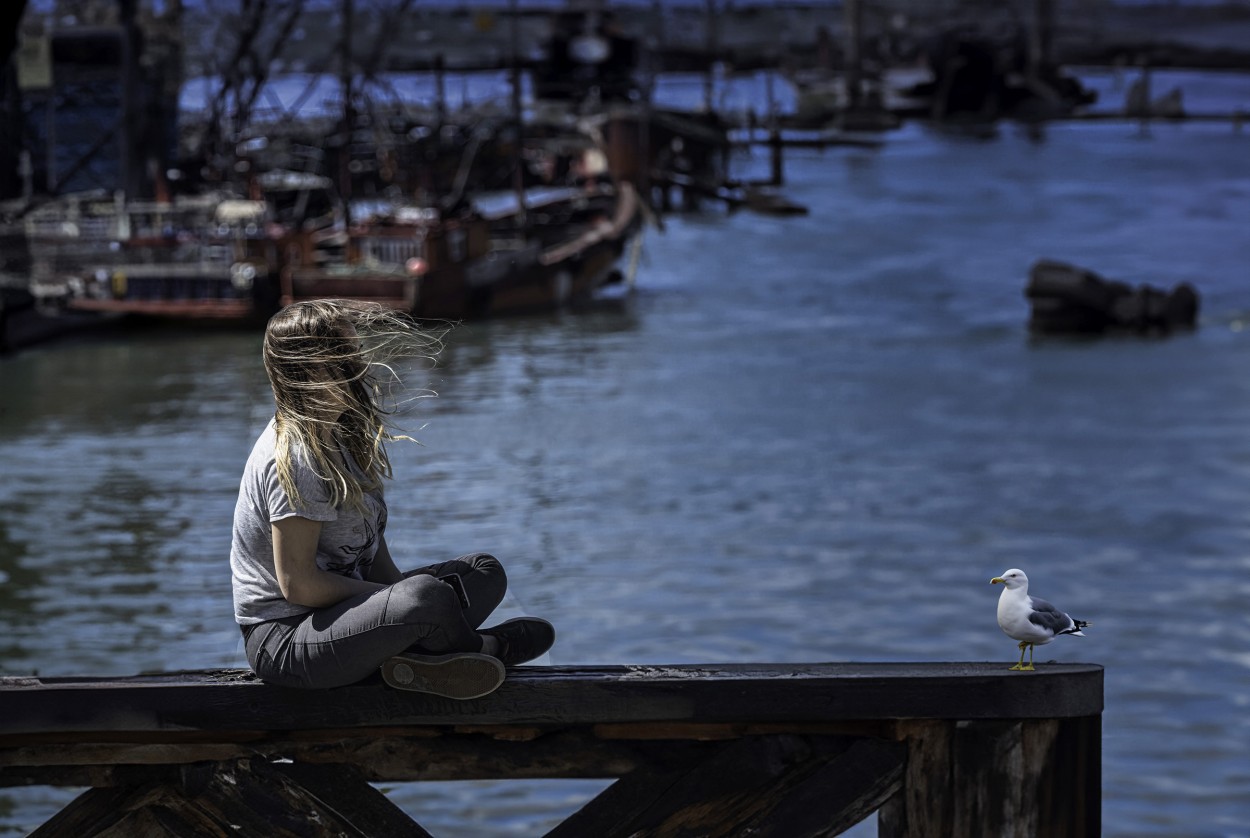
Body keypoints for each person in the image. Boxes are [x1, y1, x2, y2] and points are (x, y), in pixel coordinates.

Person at [230, 299, 554, 698]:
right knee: (425, 598)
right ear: (311, 368)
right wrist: (400, 600)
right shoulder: (296, 457)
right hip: (288, 641)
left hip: (347, 617)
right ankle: (488, 651)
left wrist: (401, 599)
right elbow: (298, 585)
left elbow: (372, 551)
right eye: (345, 355)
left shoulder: (344, 437)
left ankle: (416, 655)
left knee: (484, 571)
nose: (360, 363)